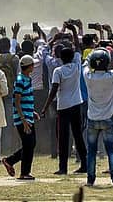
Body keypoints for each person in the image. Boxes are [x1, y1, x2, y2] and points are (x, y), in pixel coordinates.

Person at [40, 46, 87, 175]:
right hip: (76, 104)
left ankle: (63, 167)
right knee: (78, 135)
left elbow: (53, 90)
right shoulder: (77, 66)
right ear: (72, 57)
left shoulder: (58, 71)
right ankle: (84, 164)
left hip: (63, 106)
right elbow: (78, 49)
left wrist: (45, 107)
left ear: (61, 58)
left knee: (63, 137)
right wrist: (73, 35)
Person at [82, 47, 113, 187]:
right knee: (111, 150)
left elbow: (84, 63)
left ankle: (90, 179)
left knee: (91, 151)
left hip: (92, 118)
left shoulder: (88, 77)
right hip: (108, 118)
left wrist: (93, 51)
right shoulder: (111, 76)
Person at [2, 55, 39, 181]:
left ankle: (10, 161)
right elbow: (16, 102)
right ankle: (24, 172)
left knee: (31, 144)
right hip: (22, 118)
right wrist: (23, 120)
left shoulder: (27, 79)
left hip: (28, 116)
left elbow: (25, 99)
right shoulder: (20, 80)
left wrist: (32, 112)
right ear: (29, 67)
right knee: (28, 144)